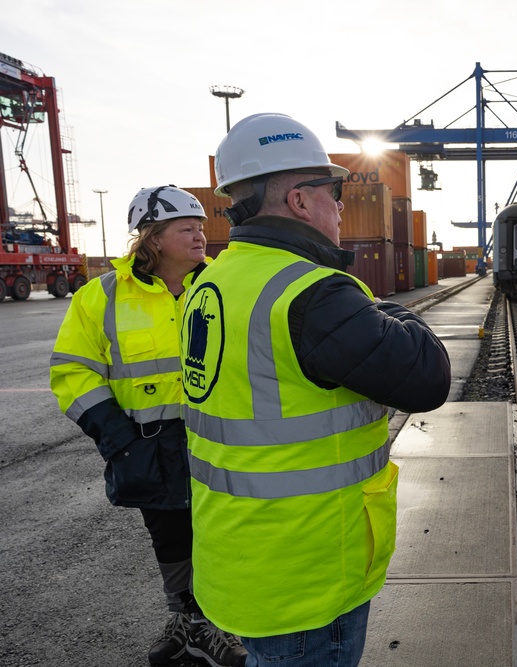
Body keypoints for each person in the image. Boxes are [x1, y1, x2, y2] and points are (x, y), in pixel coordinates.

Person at [180, 112, 451, 667]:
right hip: (308, 569)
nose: (341, 205)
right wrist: (391, 311)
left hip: (235, 553)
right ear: (301, 201)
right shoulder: (311, 293)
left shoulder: (210, 280)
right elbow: (428, 377)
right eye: (333, 191)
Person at [50, 186, 247, 667]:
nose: (201, 236)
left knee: (224, 536)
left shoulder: (224, 284)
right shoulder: (101, 296)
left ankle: (220, 624)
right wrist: (117, 440)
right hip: (148, 444)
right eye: (187, 228)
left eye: (201, 227)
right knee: (171, 538)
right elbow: (72, 371)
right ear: (153, 238)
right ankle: (188, 619)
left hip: (220, 443)